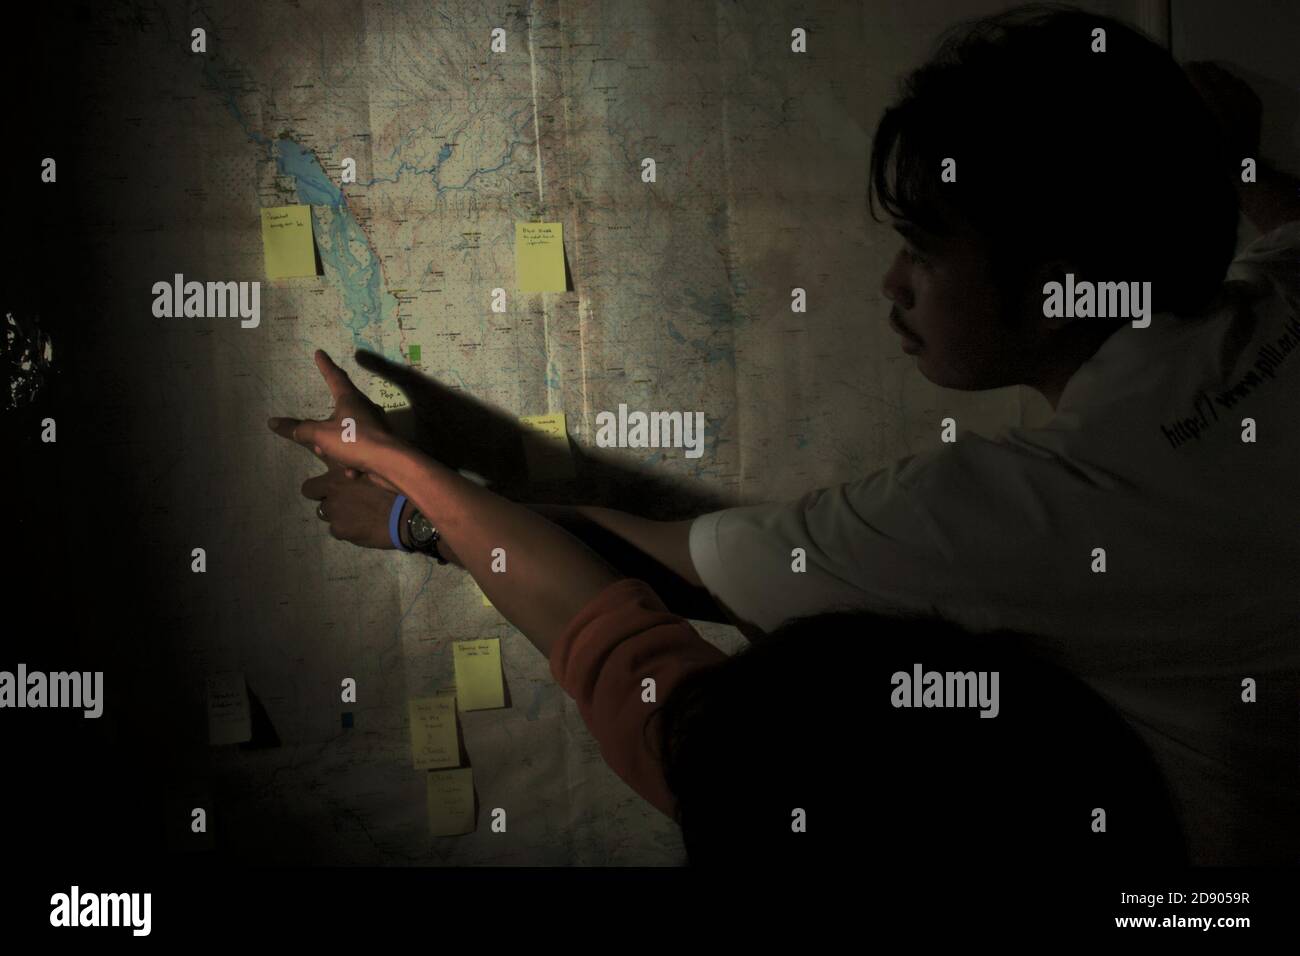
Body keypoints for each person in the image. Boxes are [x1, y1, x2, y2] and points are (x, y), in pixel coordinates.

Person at [278, 6, 1300, 865]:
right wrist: (1212, 151)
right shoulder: (1280, 292)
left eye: (925, 248)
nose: (892, 285)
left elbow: (651, 584)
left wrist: (416, 503)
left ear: (1055, 282)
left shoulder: (1013, 510)